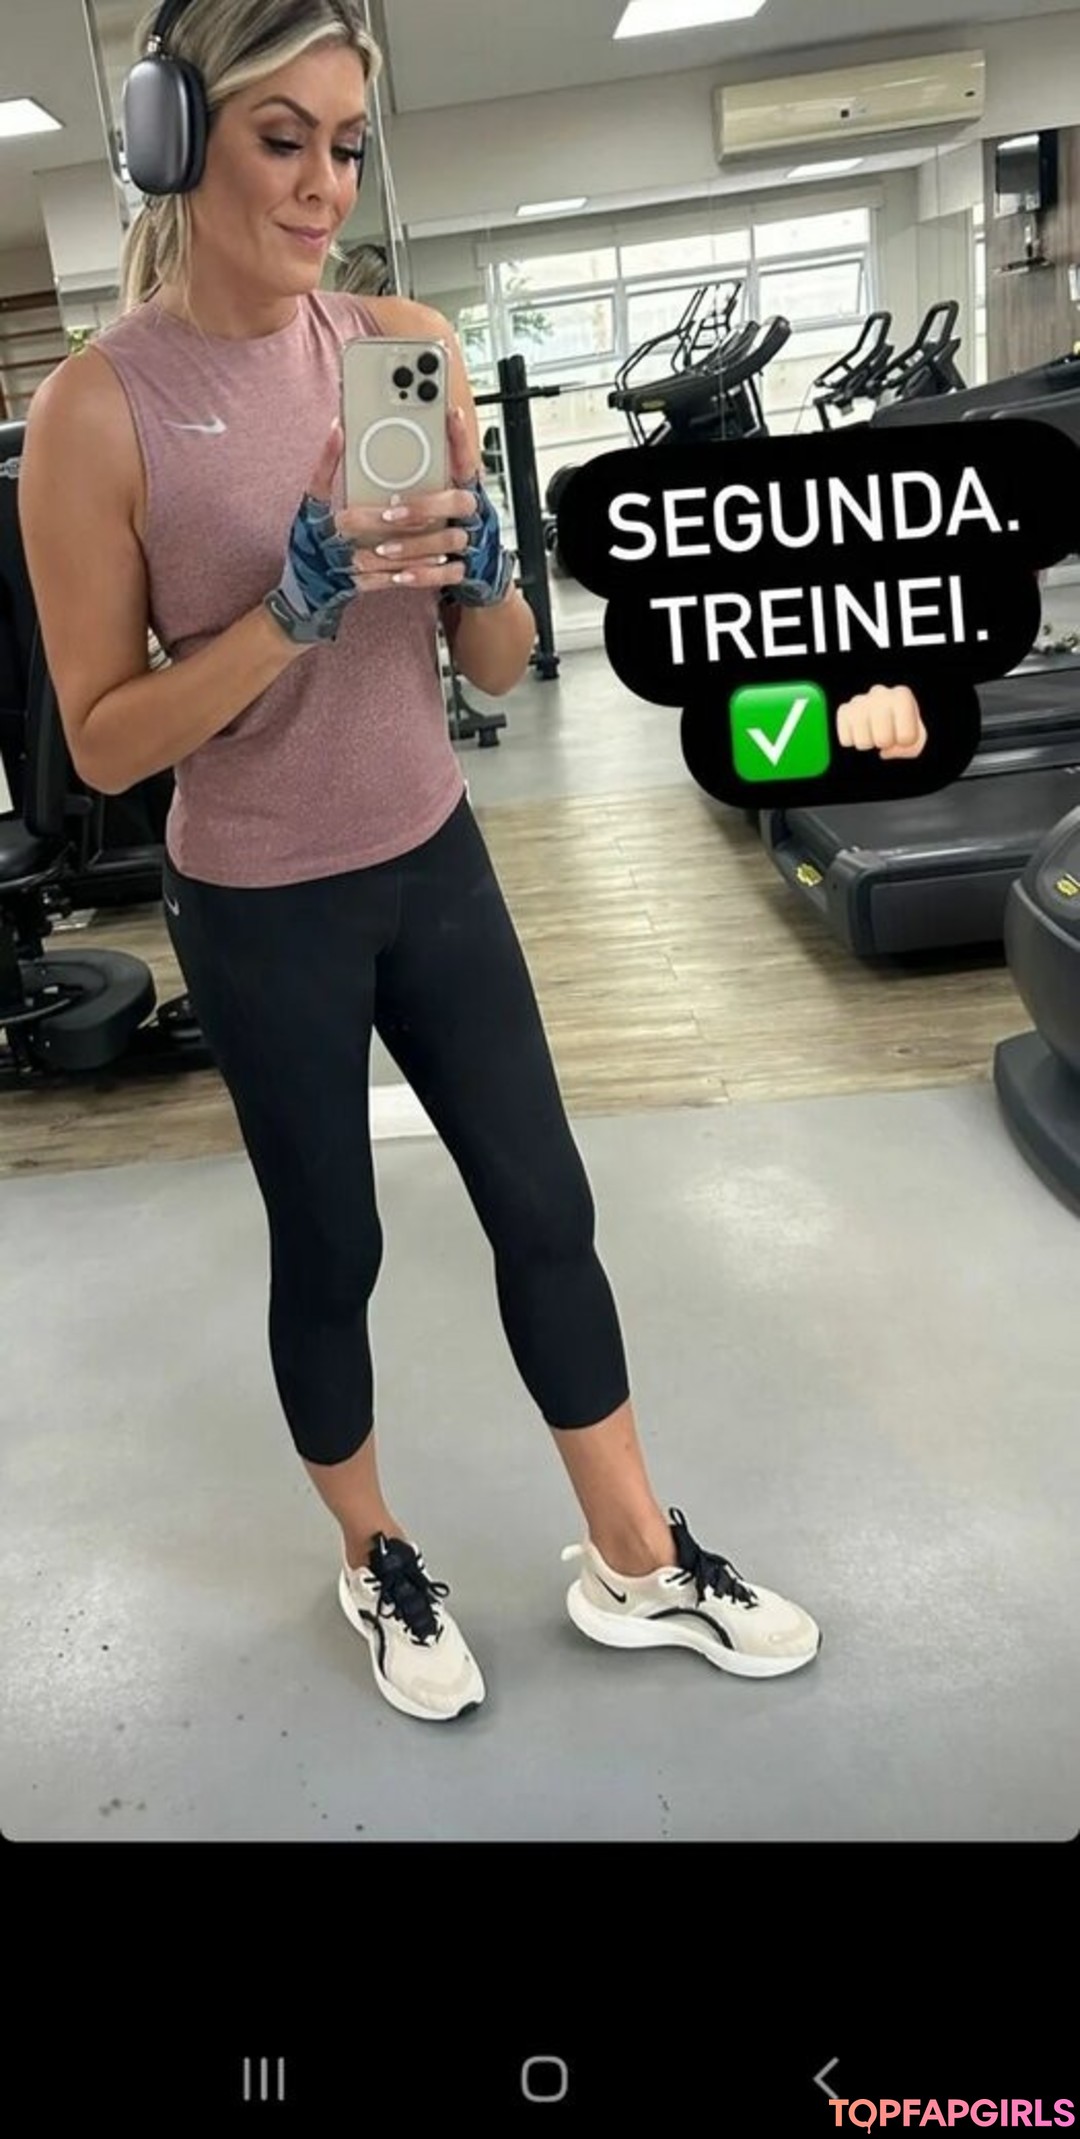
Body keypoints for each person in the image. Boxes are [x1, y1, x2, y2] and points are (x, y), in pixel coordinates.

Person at [21, 0, 934, 1730]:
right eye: (281, 140)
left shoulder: (404, 345)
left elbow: (500, 669)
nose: (323, 186)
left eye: (347, 145)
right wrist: (288, 612)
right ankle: (373, 1554)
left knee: (545, 1206)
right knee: (334, 1248)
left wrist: (488, 568)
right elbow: (105, 742)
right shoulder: (98, 412)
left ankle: (636, 1555)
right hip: (259, 900)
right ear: (170, 137)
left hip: (430, 853)